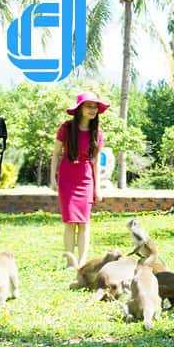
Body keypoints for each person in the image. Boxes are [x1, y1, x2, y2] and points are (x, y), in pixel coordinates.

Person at [50, 92, 109, 268]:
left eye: (95, 107)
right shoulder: (66, 128)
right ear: (80, 108)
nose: (92, 110)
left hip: (86, 180)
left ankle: (82, 262)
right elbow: (55, 154)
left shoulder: (97, 133)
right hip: (67, 178)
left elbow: (96, 162)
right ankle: (70, 262)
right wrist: (53, 179)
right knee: (70, 222)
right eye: (88, 106)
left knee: (84, 222)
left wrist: (97, 188)